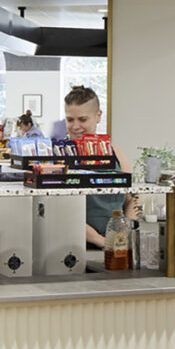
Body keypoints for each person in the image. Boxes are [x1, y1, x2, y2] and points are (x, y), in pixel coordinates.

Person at [62, 85, 134, 248]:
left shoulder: (115, 152)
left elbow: (132, 200)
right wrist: (100, 241)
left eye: (82, 119)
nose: (75, 126)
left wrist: (126, 233)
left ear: (98, 115)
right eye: (70, 119)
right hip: (75, 246)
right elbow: (59, 211)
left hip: (117, 243)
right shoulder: (59, 155)